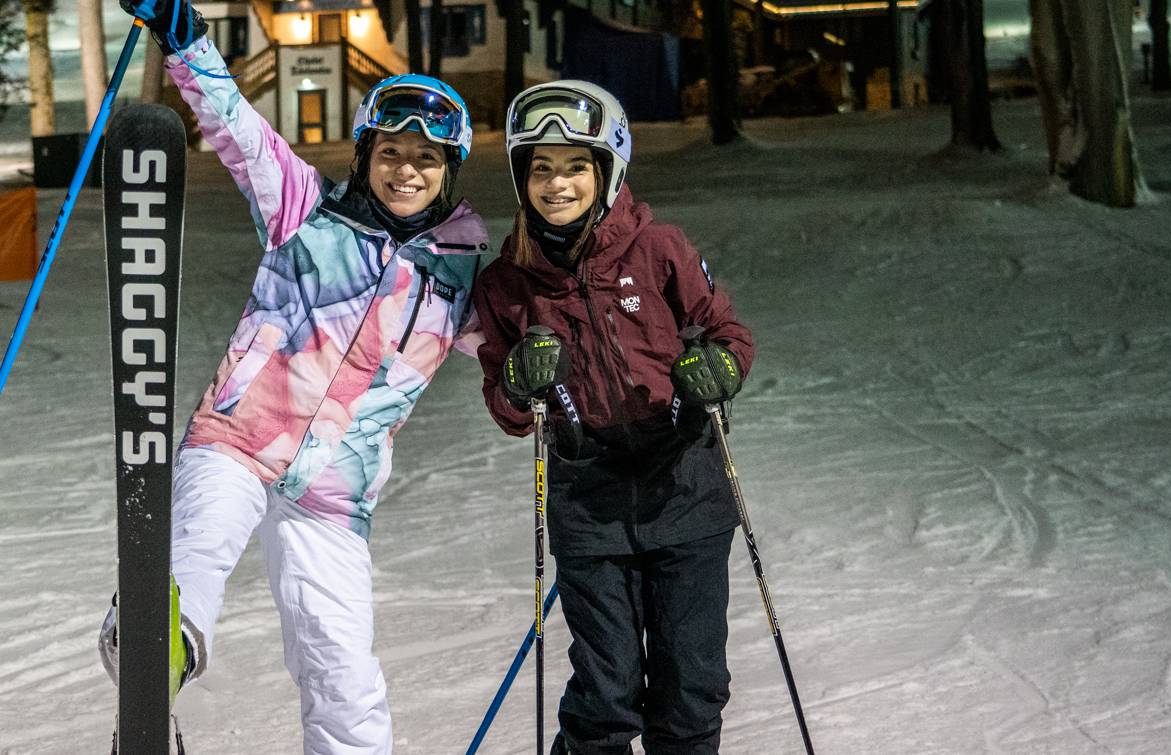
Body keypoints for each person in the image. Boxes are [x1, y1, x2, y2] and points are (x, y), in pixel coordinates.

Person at [96, 0, 489, 751]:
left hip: (333, 494)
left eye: (426, 159)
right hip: (238, 443)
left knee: (342, 669)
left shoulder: (463, 278)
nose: (406, 170)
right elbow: (237, 127)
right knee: (191, 567)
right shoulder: (305, 211)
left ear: (447, 172)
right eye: (392, 152)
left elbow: (524, 348)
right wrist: (183, 36)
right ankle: (154, 645)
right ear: (366, 154)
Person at [473, 80, 755, 754]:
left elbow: (728, 335)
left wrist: (717, 370)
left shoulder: (657, 247)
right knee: (606, 692)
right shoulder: (507, 284)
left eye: (575, 166)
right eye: (539, 168)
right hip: (589, 497)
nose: (557, 184)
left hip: (683, 483)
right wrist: (518, 383)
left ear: (607, 169)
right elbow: (506, 407)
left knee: (690, 690)